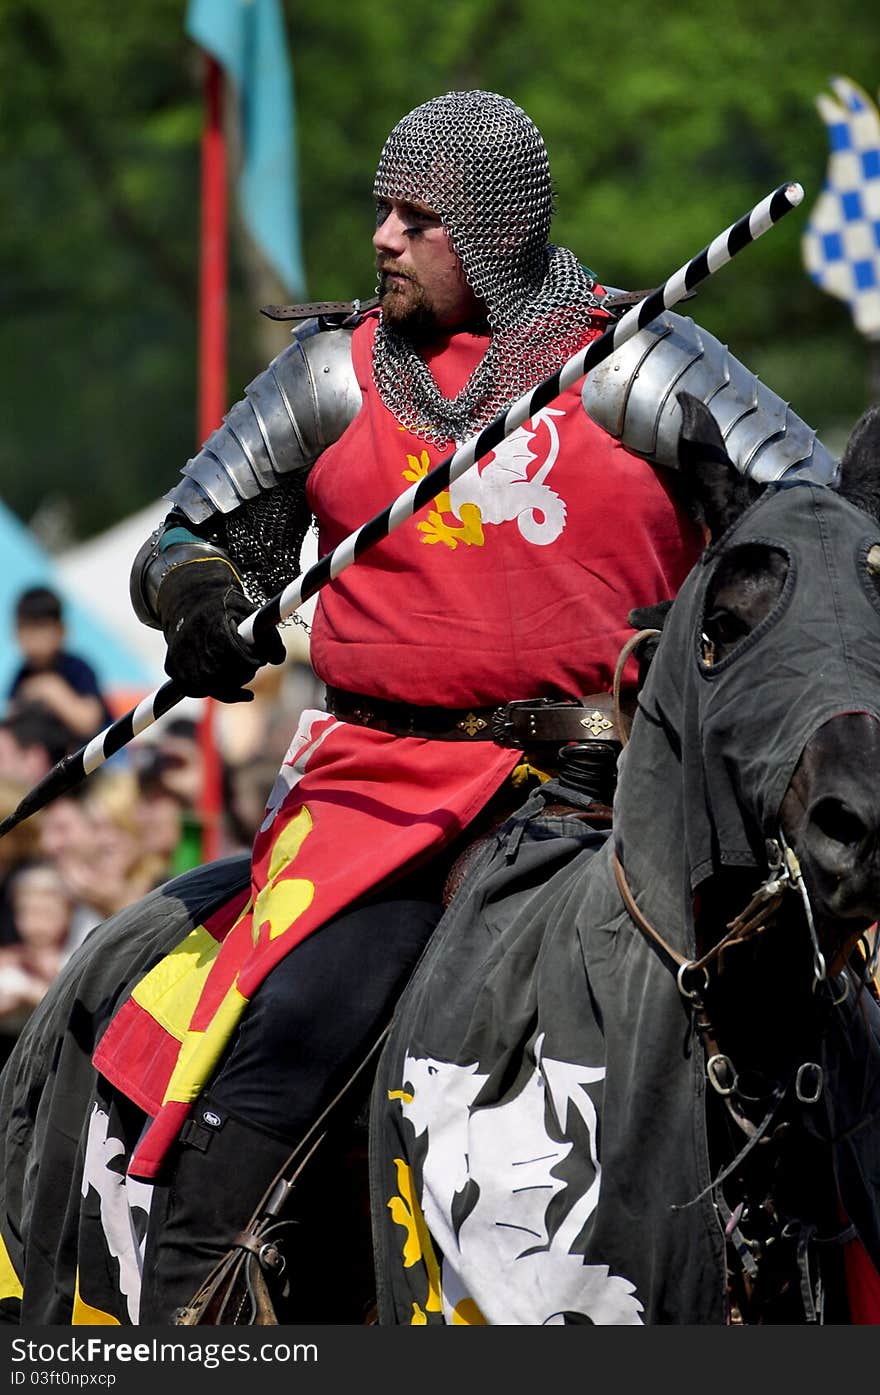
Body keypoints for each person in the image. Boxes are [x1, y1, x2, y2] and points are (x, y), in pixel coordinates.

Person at [83, 91, 834, 1323]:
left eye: (417, 218)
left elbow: (810, 527)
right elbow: (184, 540)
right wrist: (205, 601)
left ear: (493, 230)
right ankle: (199, 1304)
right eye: (383, 209)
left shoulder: (639, 360)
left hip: (617, 800)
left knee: (807, 1027)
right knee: (296, 1021)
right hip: (381, 801)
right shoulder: (332, 378)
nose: (382, 236)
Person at [7, 585, 113, 740]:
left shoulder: (76, 668)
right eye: (25, 628)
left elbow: (90, 722)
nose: (32, 637)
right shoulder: (21, 676)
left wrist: (52, 691)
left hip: (96, 754)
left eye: (40, 627)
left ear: (61, 630)